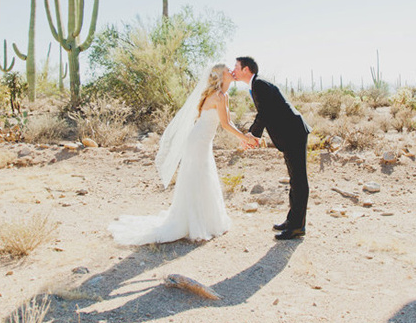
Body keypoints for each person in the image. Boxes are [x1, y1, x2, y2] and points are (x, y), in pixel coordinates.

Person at [108, 64, 255, 245]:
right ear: (220, 76)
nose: (232, 72)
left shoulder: (223, 96)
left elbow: (228, 121)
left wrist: (242, 137)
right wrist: (244, 138)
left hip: (202, 141)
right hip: (198, 141)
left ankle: (207, 221)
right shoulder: (217, 96)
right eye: (227, 70)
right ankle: (196, 224)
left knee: (202, 177)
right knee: (198, 177)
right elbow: (225, 125)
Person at [233, 57, 310, 240]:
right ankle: (293, 222)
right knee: (294, 179)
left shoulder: (259, 84)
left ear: (246, 69)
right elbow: (268, 113)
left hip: (294, 133)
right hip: (290, 134)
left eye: (236, 67)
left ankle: (297, 226)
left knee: (298, 179)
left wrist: (253, 135)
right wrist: (254, 135)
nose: (233, 70)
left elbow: (265, 112)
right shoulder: (256, 84)